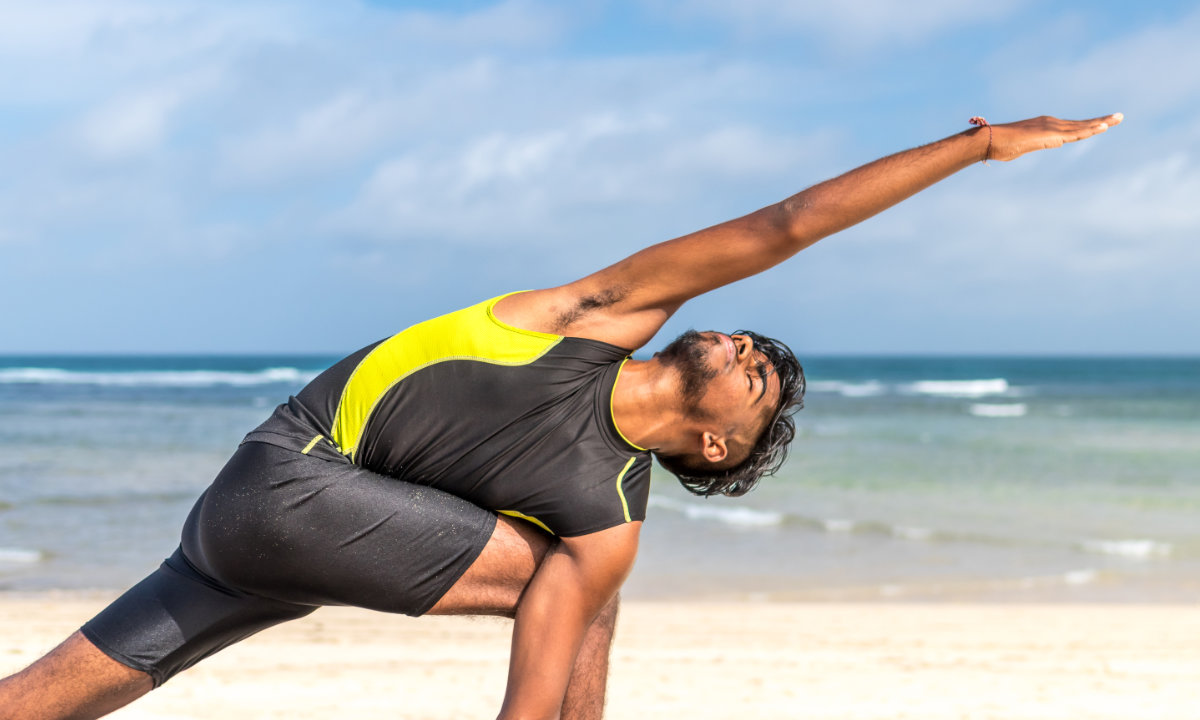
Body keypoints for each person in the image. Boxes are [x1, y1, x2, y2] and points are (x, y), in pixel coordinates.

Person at [0, 113, 1121, 720]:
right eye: (751, 341)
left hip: (257, 547)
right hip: (286, 480)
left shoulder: (603, 516)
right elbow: (788, 222)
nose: (744, 344)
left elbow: (534, 698)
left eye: (759, 374)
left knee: (38, 702)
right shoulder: (594, 315)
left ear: (720, 443)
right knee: (581, 591)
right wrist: (974, 147)